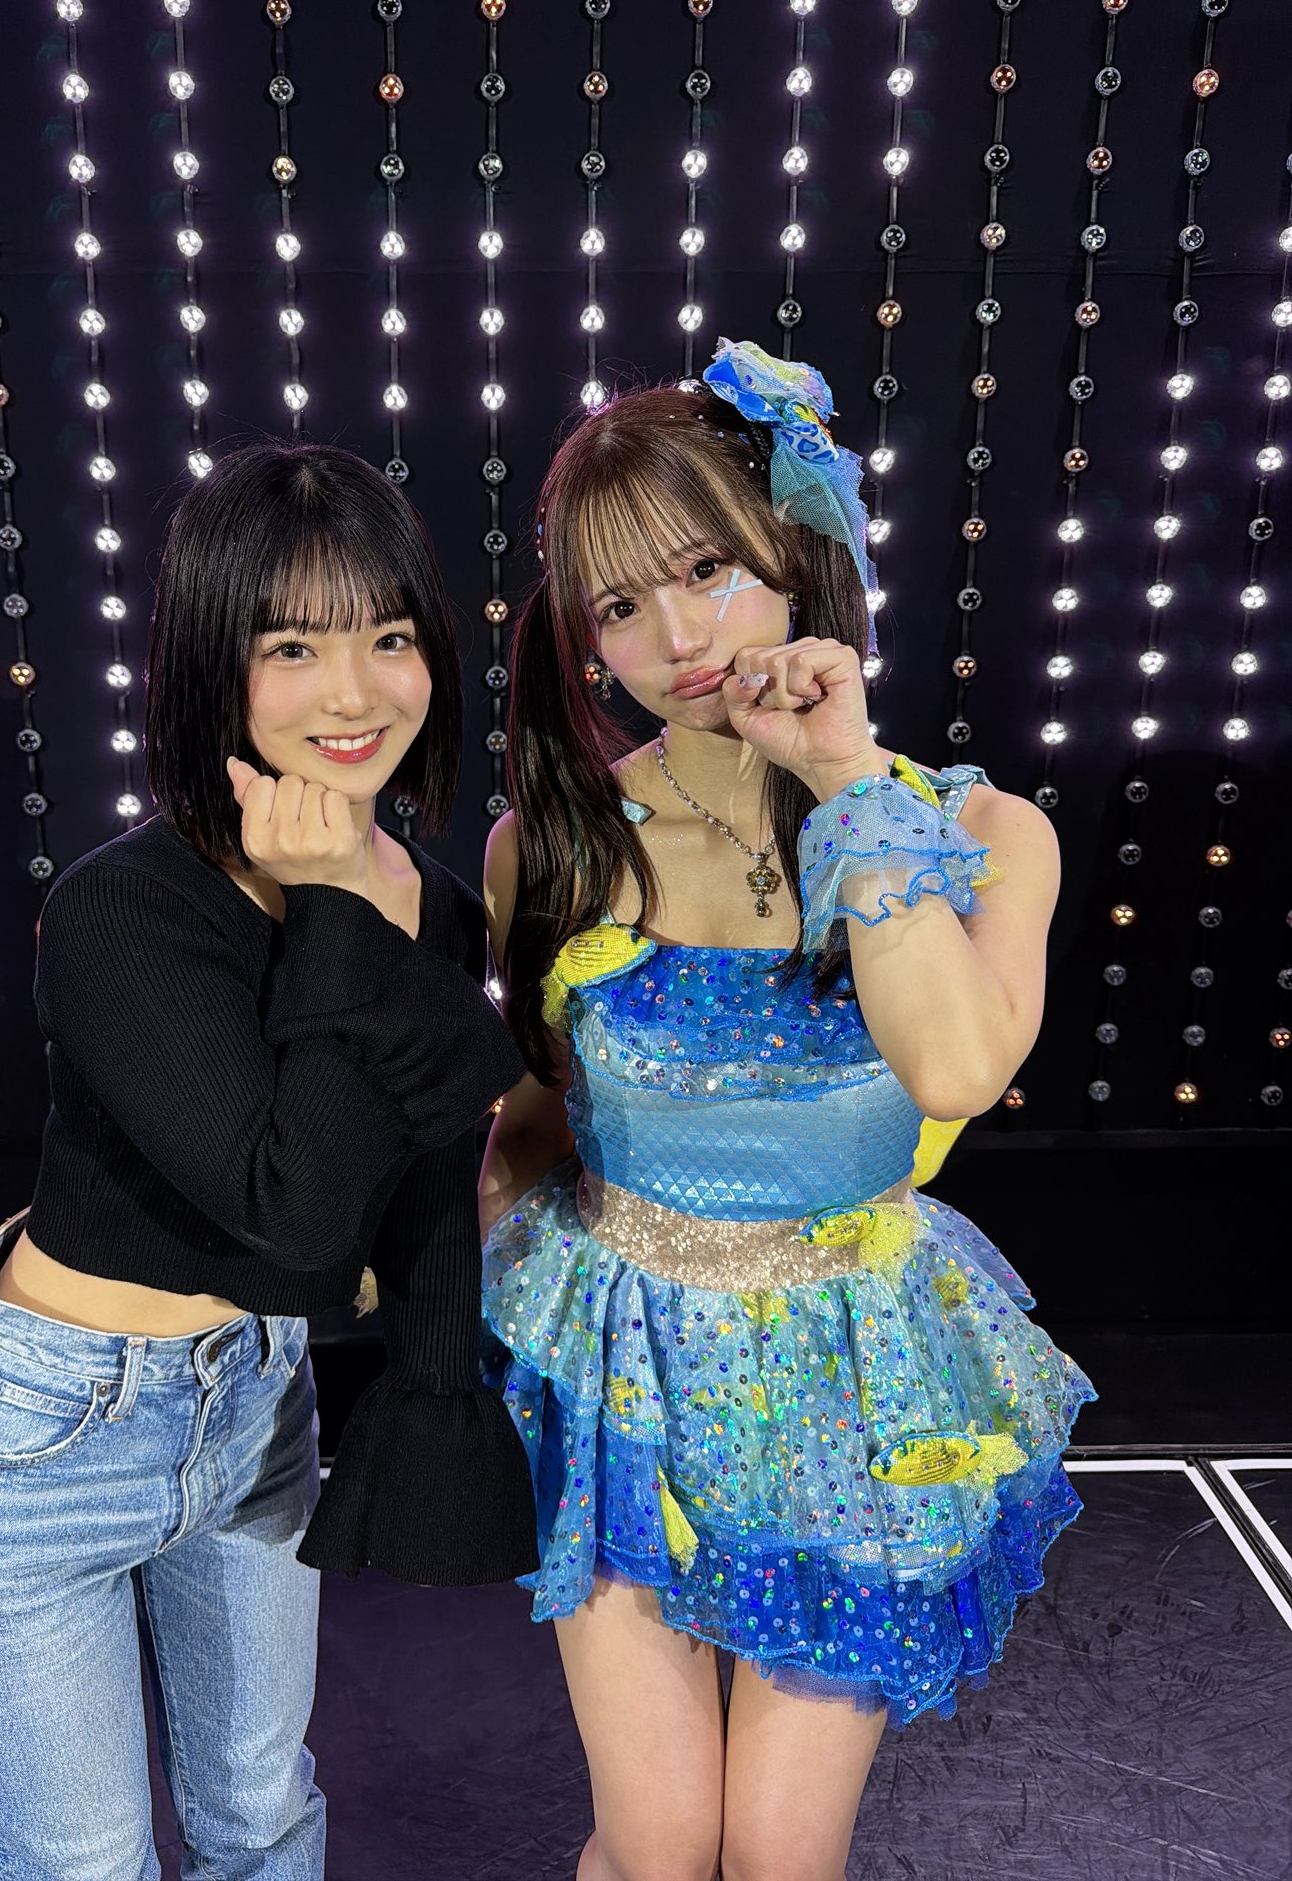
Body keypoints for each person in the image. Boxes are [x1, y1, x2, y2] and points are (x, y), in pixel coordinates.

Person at [479, 342, 1096, 1881]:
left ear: (794, 551)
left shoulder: (982, 833)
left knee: (772, 1854)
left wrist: (841, 777)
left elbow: (956, 1070)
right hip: (622, 1361)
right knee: (660, 1841)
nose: (679, 637)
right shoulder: (552, 842)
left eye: (708, 570)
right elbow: (538, 1110)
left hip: (856, 1383)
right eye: (620, 605)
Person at [0, 441, 535, 1881]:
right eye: (291, 647)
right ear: (212, 665)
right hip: (47, 1430)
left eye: (387, 636)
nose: (354, 692)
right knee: (84, 1865)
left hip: (255, 1398)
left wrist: (445, 1385)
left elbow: (424, 1165)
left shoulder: (429, 900)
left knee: (264, 1816)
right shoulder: (123, 910)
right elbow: (295, 1226)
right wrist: (333, 910)